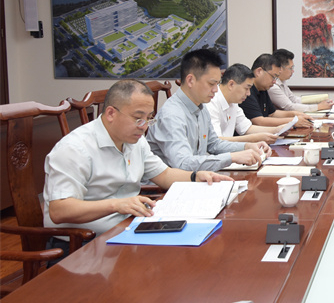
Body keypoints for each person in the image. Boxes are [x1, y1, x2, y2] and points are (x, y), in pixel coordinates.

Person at [43, 79, 232, 237]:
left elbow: (164, 175)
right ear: (111, 113)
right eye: (138, 118)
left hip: (129, 227)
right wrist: (117, 205)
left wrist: (196, 176)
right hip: (85, 243)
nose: (144, 126)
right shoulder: (75, 148)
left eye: (149, 118)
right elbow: (59, 210)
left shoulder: (135, 140)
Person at [147, 49, 266, 171]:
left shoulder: (201, 107)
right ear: (190, 80)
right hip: (174, 182)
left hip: (196, 176)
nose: (216, 89)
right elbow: (183, 164)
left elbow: (214, 144)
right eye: (211, 84)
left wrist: (246, 147)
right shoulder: (171, 115)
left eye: (217, 83)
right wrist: (232, 157)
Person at [207, 63, 287, 145]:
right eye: (246, 88)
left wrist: (276, 130)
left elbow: (247, 128)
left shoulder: (233, 102)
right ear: (231, 84)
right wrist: (255, 138)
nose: (248, 94)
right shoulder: (211, 103)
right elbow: (217, 141)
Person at [240, 53, 313, 129]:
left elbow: (272, 113)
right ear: (259, 71)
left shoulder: (263, 89)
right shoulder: (247, 91)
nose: (274, 81)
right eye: (273, 77)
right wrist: (293, 121)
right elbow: (258, 121)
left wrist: (295, 114)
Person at [269, 49, 334, 112]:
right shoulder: (273, 86)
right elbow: (289, 107)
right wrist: (318, 107)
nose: (293, 71)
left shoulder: (282, 81)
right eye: (290, 68)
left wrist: (320, 100)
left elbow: (294, 99)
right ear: (280, 68)